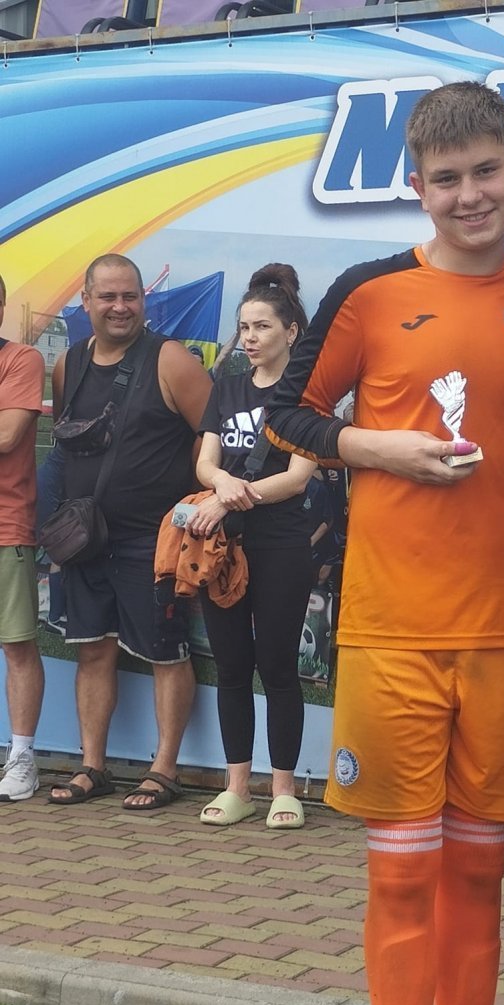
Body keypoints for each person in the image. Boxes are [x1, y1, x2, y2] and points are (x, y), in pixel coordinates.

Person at [265, 82, 504, 1005]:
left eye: (486, 171)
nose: (469, 194)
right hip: (389, 634)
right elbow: (285, 416)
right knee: (403, 880)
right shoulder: (369, 290)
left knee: (481, 880)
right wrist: (374, 447)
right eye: (446, 179)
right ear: (417, 187)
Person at [48, 254, 212, 809]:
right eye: (108, 297)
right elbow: (67, 445)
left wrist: (192, 506)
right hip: (86, 539)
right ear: (86, 302)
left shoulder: (171, 360)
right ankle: (93, 766)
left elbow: (213, 435)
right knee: (92, 651)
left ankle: (164, 770)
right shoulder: (68, 364)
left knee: (165, 653)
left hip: (153, 541)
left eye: (131, 296)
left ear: (144, 300)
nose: (120, 307)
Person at [188, 265, 316, 829]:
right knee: (233, 666)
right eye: (244, 327)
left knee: (278, 665)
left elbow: (297, 477)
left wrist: (230, 499)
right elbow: (206, 461)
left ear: (290, 331)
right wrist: (222, 487)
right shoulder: (228, 386)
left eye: (262, 326)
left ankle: (284, 790)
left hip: (282, 544)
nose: (250, 337)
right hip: (223, 548)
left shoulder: (307, 395)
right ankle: (237, 786)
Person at [0, 272, 46, 802]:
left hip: (6, 526)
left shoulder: (21, 359)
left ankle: (22, 758)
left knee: (16, 644)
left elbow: (8, 434)